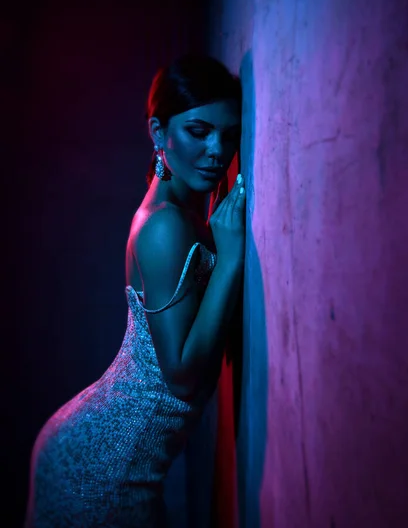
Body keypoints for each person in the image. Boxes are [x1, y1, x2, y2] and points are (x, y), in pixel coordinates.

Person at [24, 54, 246, 528]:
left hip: (104, 449)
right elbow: (181, 375)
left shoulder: (180, 215)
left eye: (229, 135)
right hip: (99, 465)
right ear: (159, 133)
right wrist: (228, 261)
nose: (217, 150)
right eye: (199, 131)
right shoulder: (164, 226)